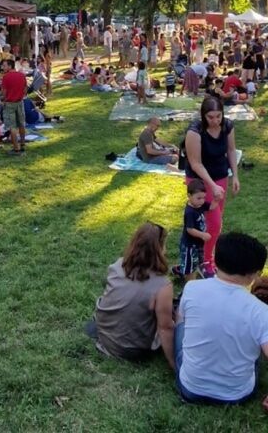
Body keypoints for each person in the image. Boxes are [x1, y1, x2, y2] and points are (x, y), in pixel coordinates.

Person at [173, 233, 268, 415]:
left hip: (191, 388)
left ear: (214, 259)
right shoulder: (267, 314)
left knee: (181, 323)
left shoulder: (192, 288)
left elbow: (183, 318)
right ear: (255, 274)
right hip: (237, 394)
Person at [88, 222, 175, 364]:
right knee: (177, 318)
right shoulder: (163, 285)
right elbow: (165, 328)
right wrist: (175, 366)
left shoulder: (117, 266)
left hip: (105, 338)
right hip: (132, 350)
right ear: (160, 248)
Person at [183, 96, 240, 274]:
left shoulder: (228, 126)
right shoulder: (195, 131)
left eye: (218, 116)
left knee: (213, 220)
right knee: (214, 223)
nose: (215, 121)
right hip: (199, 181)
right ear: (203, 116)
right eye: (210, 117)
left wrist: (235, 176)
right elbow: (195, 163)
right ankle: (205, 262)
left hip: (220, 176)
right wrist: (211, 186)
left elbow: (231, 150)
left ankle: (202, 253)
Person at [176, 180, 210, 279]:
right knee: (189, 267)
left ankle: (180, 269)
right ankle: (189, 285)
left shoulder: (200, 204)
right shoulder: (190, 212)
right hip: (189, 245)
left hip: (197, 244)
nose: (202, 201)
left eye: (204, 197)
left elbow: (211, 206)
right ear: (189, 196)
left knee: (196, 262)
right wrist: (202, 235)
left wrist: (217, 199)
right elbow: (190, 229)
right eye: (198, 198)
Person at [0, 58, 28, 154]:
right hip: (20, 102)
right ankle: (23, 144)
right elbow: (25, 89)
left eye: (4, 65)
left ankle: (16, 148)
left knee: (12, 126)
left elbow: (4, 92)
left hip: (9, 103)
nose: (2, 67)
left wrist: (2, 99)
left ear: (10, 66)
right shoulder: (22, 75)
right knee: (21, 124)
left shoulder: (6, 77)